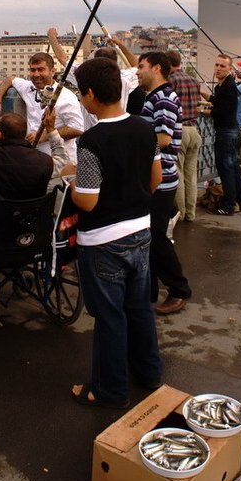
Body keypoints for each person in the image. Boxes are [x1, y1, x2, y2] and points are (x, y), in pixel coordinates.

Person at [68, 58, 163, 408]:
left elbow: (88, 202)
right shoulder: (144, 127)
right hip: (141, 230)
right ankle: (150, 372)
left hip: (104, 241)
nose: (81, 99)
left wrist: (73, 184)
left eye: (81, 94)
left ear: (91, 94)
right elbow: (154, 180)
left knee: (110, 317)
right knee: (139, 308)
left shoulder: (92, 140)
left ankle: (110, 390)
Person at [137, 52, 191, 315]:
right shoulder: (155, 97)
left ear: (156, 68)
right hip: (157, 177)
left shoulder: (164, 98)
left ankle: (179, 289)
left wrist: (128, 143)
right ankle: (149, 288)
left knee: (156, 236)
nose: (137, 71)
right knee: (150, 235)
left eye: (141, 66)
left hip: (161, 179)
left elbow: (164, 139)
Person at [0, 111, 67, 226]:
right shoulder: (45, 163)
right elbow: (62, 160)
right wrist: (51, 129)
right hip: (27, 228)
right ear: (23, 135)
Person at [0, 52, 84, 163]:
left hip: (60, 162)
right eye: (33, 70)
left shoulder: (66, 97)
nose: (36, 74)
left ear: (52, 71)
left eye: (41, 69)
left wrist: (45, 135)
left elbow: (77, 129)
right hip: (34, 160)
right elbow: (10, 79)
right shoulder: (28, 87)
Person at [47, 28, 143, 129]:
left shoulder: (84, 75)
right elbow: (137, 66)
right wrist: (120, 45)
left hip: (92, 131)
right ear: (115, 62)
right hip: (117, 128)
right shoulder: (125, 78)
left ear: (94, 61)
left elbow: (63, 59)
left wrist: (52, 36)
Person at [201, 54, 241, 215]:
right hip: (231, 131)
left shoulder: (228, 87)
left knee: (226, 168)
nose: (218, 68)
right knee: (234, 166)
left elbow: (221, 111)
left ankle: (228, 205)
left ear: (229, 68)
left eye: (222, 66)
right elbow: (217, 100)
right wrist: (201, 94)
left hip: (226, 133)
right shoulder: (223, 86)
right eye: (217, 65)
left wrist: (200, 110)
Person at [166, 50, 202, 222]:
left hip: (179, 130)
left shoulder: (171, 80)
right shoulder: (194, 80)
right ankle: (191, 213)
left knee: (178, 173)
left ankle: (180, 214)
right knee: (191, 175)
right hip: (194, 130)